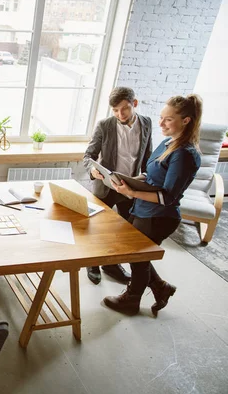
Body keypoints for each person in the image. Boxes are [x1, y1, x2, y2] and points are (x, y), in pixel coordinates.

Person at [103, 94, 202, 316]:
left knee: (137, 257)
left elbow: (168, 197)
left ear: (186, 120)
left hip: (160, 217)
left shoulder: (184, 154)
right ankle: (160, 287)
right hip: (144, 210)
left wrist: (131, 192)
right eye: (161, 118)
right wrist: (125, 180)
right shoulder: (168, 143)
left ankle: (131, 300)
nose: (161, 123)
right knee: (138, 254)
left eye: (168, 119)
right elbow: (151, 175)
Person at [83, 87, 153, 285]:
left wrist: (147, 178)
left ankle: (111, 265)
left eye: (124, 109)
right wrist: (93, 171)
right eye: (115, 110)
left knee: (125, 229)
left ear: (135, 104)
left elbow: (148, 155)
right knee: (97, 227)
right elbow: (88, 156)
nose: (119, 115)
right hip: (105, 185)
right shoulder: (105, 125)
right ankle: (93, 263)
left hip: (130, 186)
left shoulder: (146, 123)